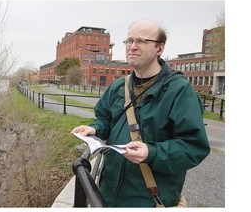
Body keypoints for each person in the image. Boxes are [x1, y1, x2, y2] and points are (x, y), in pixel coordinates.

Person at [71, 19, 210, 207]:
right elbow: (105, 119)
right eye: (129, 41)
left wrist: (151, 153)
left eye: (141, 41)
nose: (132, 47)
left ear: (159, 48)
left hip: (147, 199)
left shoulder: (179, 91)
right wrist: (95, 129)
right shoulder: (119, 86)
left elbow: (193, 147)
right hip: (107, 194)